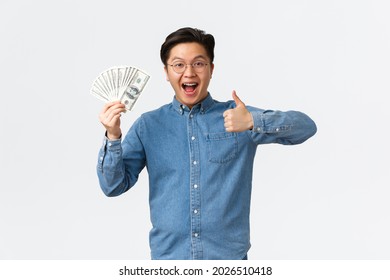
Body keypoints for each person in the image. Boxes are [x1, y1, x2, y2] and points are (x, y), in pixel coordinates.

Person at [96, 27, 317, 260]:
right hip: (169, 263)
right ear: (166, 71)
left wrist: (254, 121)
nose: (189, 73)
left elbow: (306, 127)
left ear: (211, 69)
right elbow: (113, 186)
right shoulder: (148, 126)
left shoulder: (237, 117)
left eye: (199, 64)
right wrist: (112, 137)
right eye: (178, 65)